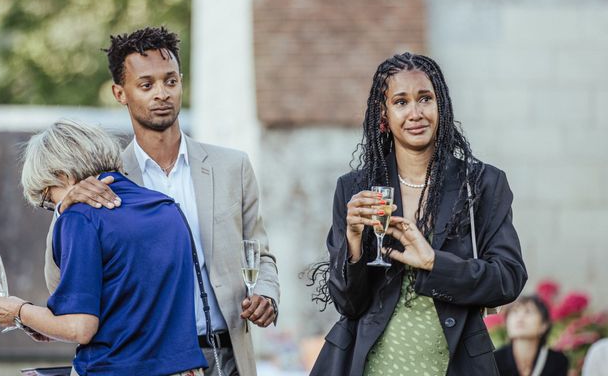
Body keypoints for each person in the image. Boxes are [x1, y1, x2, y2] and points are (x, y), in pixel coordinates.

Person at [43, 27, 279, 376]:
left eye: (170, 81)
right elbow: (59, 280)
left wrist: (267, 294)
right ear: (120, 93)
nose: (162, 94)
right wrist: (64, 208)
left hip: (228, 355)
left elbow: (260, 253)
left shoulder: (233, 167)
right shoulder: (108, 183)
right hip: (149, 362)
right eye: (146, 84)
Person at [309, 53, 527, 375]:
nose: (416, 113)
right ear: (383, 114)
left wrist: (434, 263)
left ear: (441, 106)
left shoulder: (482, 184)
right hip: (372, 366)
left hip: (453, 365)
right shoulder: (355, 189)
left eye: (425, 98)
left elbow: (508, 278)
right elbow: (348, 304)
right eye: (401, 102)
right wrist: (353, 243)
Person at [0, 120, 207, 376]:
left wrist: (18, 311)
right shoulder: (167, 207)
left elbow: (79, 327)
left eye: (49, 198)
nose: (56, 207)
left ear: (63, 176)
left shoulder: (80, 217)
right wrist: (46, 323)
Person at [494, 295, 569, 376]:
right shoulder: (495, 360)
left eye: (528, 312)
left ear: (544, 325)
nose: (520, 317)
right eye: (515, 311)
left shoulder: (557, 361)